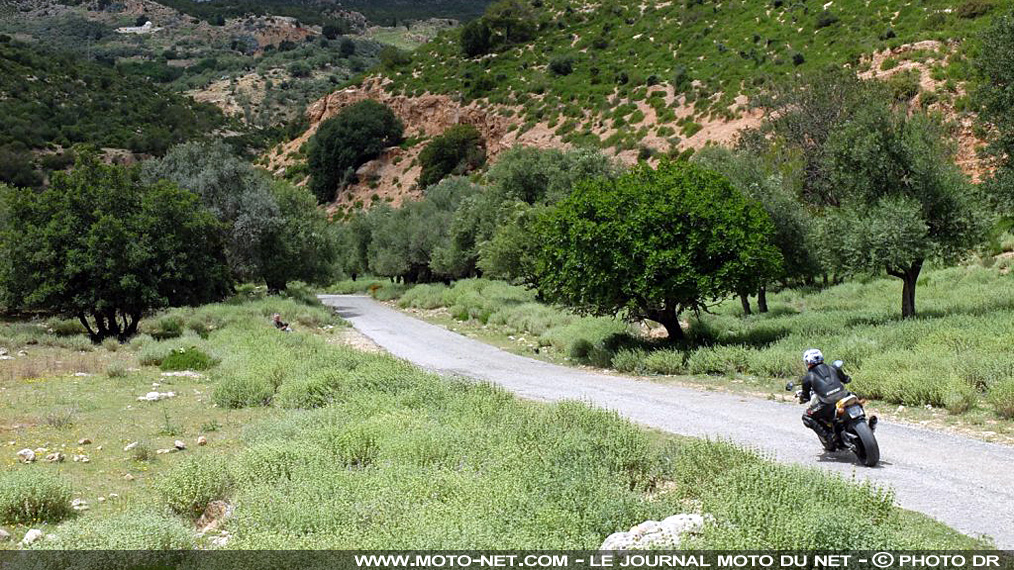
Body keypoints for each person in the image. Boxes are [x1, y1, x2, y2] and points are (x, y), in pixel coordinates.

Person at [799, 348, 851, 451]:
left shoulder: (808, 377)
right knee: (855, 399)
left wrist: (803, 398)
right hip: (844, 395)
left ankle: (828, 437)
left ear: (807, 362)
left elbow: (805, 396)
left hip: (827, 403)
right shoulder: (833, 368)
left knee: (806, 416)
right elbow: (846, 379)